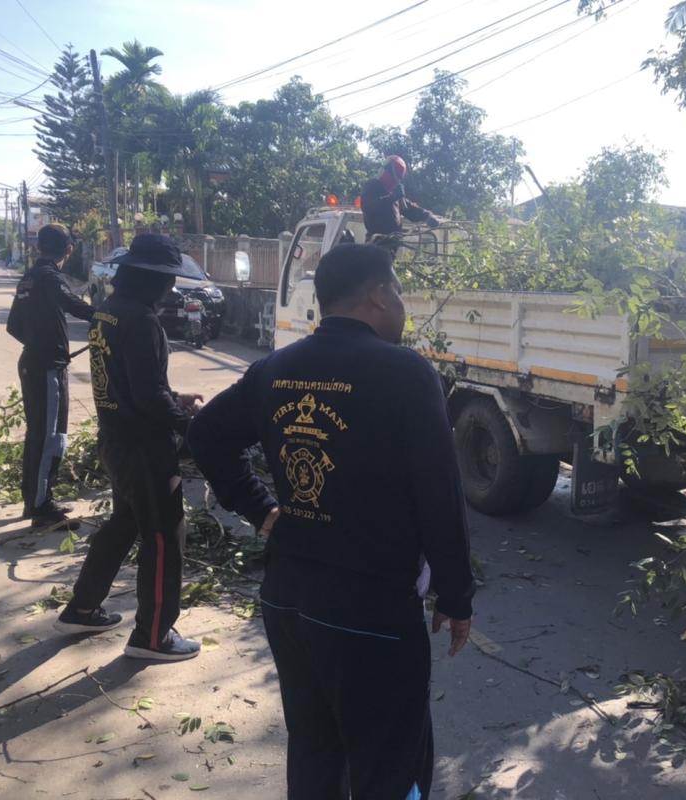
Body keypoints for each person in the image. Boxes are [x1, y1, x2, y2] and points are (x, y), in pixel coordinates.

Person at [188, 243, 474, 799]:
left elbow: (206, 435)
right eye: (398, 291)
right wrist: (456, 594)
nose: (402, 305)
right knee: (389, 769)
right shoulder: (406, 373)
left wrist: (262, 511)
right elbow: (439, 495)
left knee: (315, 754)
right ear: (378, 295)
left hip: (288, 603)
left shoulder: (276, 368)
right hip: (372, 613)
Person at [54, 234, 206, 662]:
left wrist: (173, 397)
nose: (171, 287)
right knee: (164, 536)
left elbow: (131, 381)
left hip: (116, 440)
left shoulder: (109, 311)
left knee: (124, 523)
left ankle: (82, 608)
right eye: (167, 279)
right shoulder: (141, 320)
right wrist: (193, 427)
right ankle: (153, 635)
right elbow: (147, 396)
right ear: (150, 278)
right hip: (144, 448)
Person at [7, 223, 95, 530]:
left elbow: (13, 326)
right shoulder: (49, 277)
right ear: (68, 250)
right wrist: (107, 315)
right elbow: (72, 303)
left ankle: (33, 500)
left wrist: (37, 343)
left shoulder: (29, 278)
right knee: (51, 437)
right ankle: (42, 508)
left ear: (37, 247)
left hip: (32, 362)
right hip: (46, 368)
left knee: (38, 433)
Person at [360, 155, 440, 253]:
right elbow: (368, 206)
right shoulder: (372, 186)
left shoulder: (394, 194)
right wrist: (392, 197)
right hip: (376, 244)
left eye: (399, 178)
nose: (396, 181)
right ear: (387, 172)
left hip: (391, 245)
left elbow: (408, 208)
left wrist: (427, 216)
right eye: (395, 177)